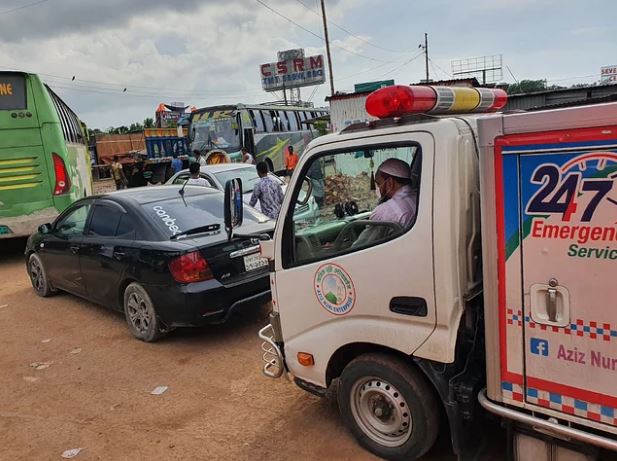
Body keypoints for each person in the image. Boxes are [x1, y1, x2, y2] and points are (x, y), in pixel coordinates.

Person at [353, 158, 417, 247]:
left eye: (379, 184)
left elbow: (361, 246)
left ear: (390, 182)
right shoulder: (419, 198)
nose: (378, 188)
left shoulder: (384, 212)